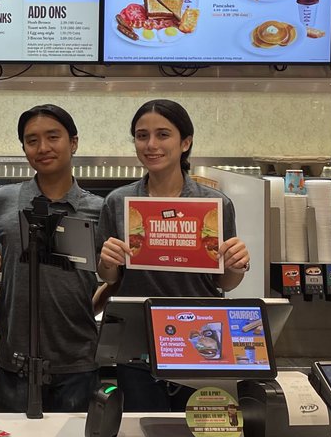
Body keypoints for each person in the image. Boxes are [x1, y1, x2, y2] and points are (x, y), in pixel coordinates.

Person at [97, 99, 251, 411]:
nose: (151, 145)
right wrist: (108, 261)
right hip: (138, 343)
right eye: (142, 136)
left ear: (185, 142)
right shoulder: (118, 202)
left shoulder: (215, 205)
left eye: (162, 135)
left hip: (203, 342)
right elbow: (109, 277)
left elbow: (225, 282)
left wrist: (236, 265)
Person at [0, 104, 105, 413]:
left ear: (73, 142)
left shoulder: (100, 210)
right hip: (16, 361)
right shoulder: (3, 200)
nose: (43, 148)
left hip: (78, 361)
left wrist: (91, 306)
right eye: (32, 140)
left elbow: (118, 277)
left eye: (53, 137)